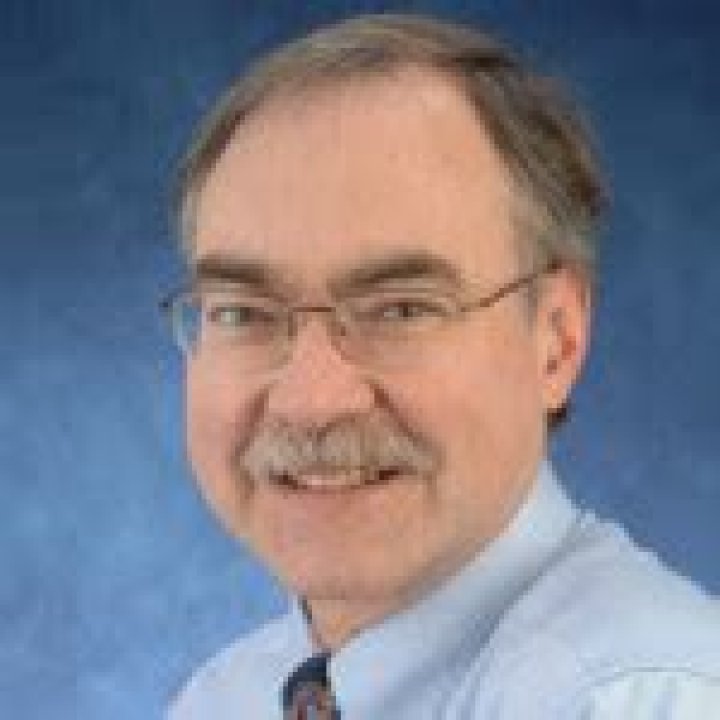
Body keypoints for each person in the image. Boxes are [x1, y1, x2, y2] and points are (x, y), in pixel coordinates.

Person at [164, 13, 720, 719]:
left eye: (400, 309)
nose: (309, 400)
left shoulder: (642, 698)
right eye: (243, 312)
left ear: (556, 340)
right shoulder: (224, 699)